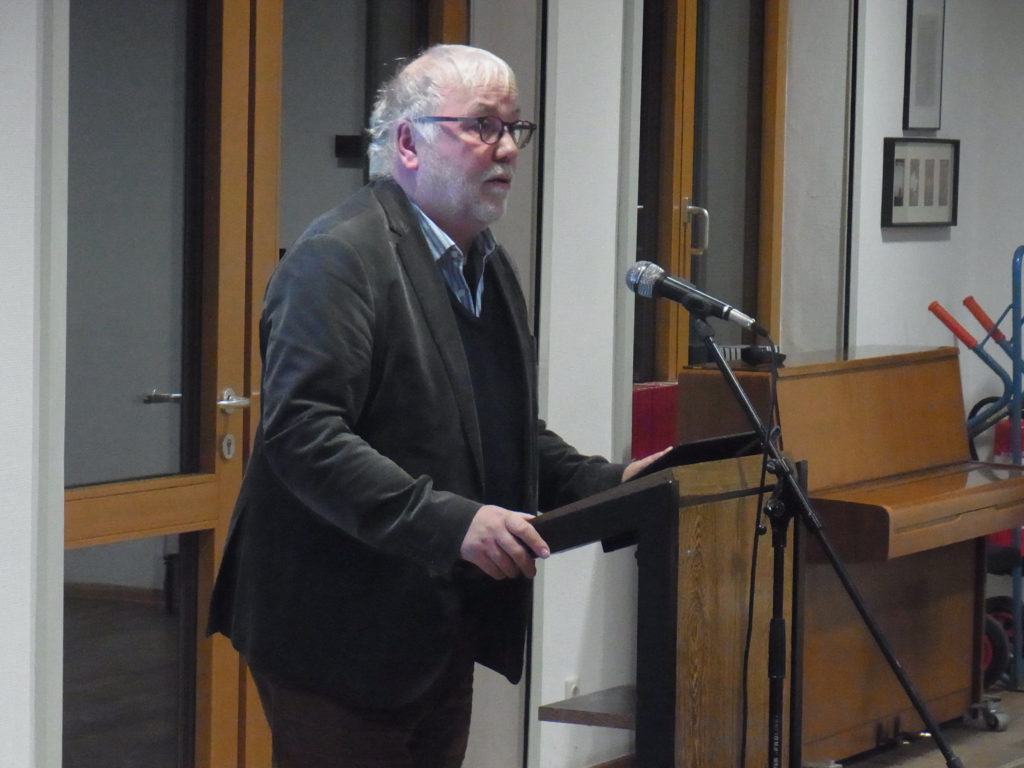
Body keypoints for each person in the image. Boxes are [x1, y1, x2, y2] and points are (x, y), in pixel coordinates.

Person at [208, 44, 664, 768]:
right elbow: (303, 434)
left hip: (434, 619)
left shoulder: (485, 261)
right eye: (482, 125)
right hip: (337, 628)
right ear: (409, 143)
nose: (508, 148)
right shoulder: (341, 259)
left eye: (516, 128)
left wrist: (613, 485)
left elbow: (500, 432)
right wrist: (455, 523)